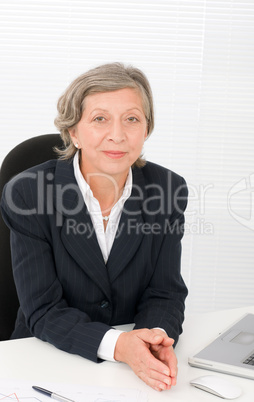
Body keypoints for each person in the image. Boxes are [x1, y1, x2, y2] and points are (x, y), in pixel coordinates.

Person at [1, 62, 188, 392]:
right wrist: (120, 346)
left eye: (131, 119)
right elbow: (44, 310)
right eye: (100, 118)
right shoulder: (28, 193)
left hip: (131, 370)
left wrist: (154, 339)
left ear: (146, 129)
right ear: (73, 131)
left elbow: (165, 292)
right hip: (43, 359)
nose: (117, 134)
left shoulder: (168, 189)